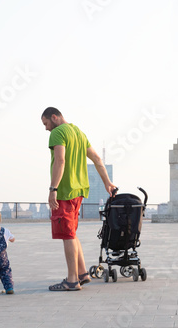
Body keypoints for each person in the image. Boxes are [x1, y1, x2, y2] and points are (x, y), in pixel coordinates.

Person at [42, 107, 115, 291]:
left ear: (54, 117)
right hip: (80, 191)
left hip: (65, 192)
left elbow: (60, 160)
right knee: (72, 233)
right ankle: (82, 273)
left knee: (67, 235)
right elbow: (97, 158)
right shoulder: (79, 132)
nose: (46, 128)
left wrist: (53, 189)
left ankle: (72, 280)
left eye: (46, 124)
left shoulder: (58, 133)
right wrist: (108, 182)